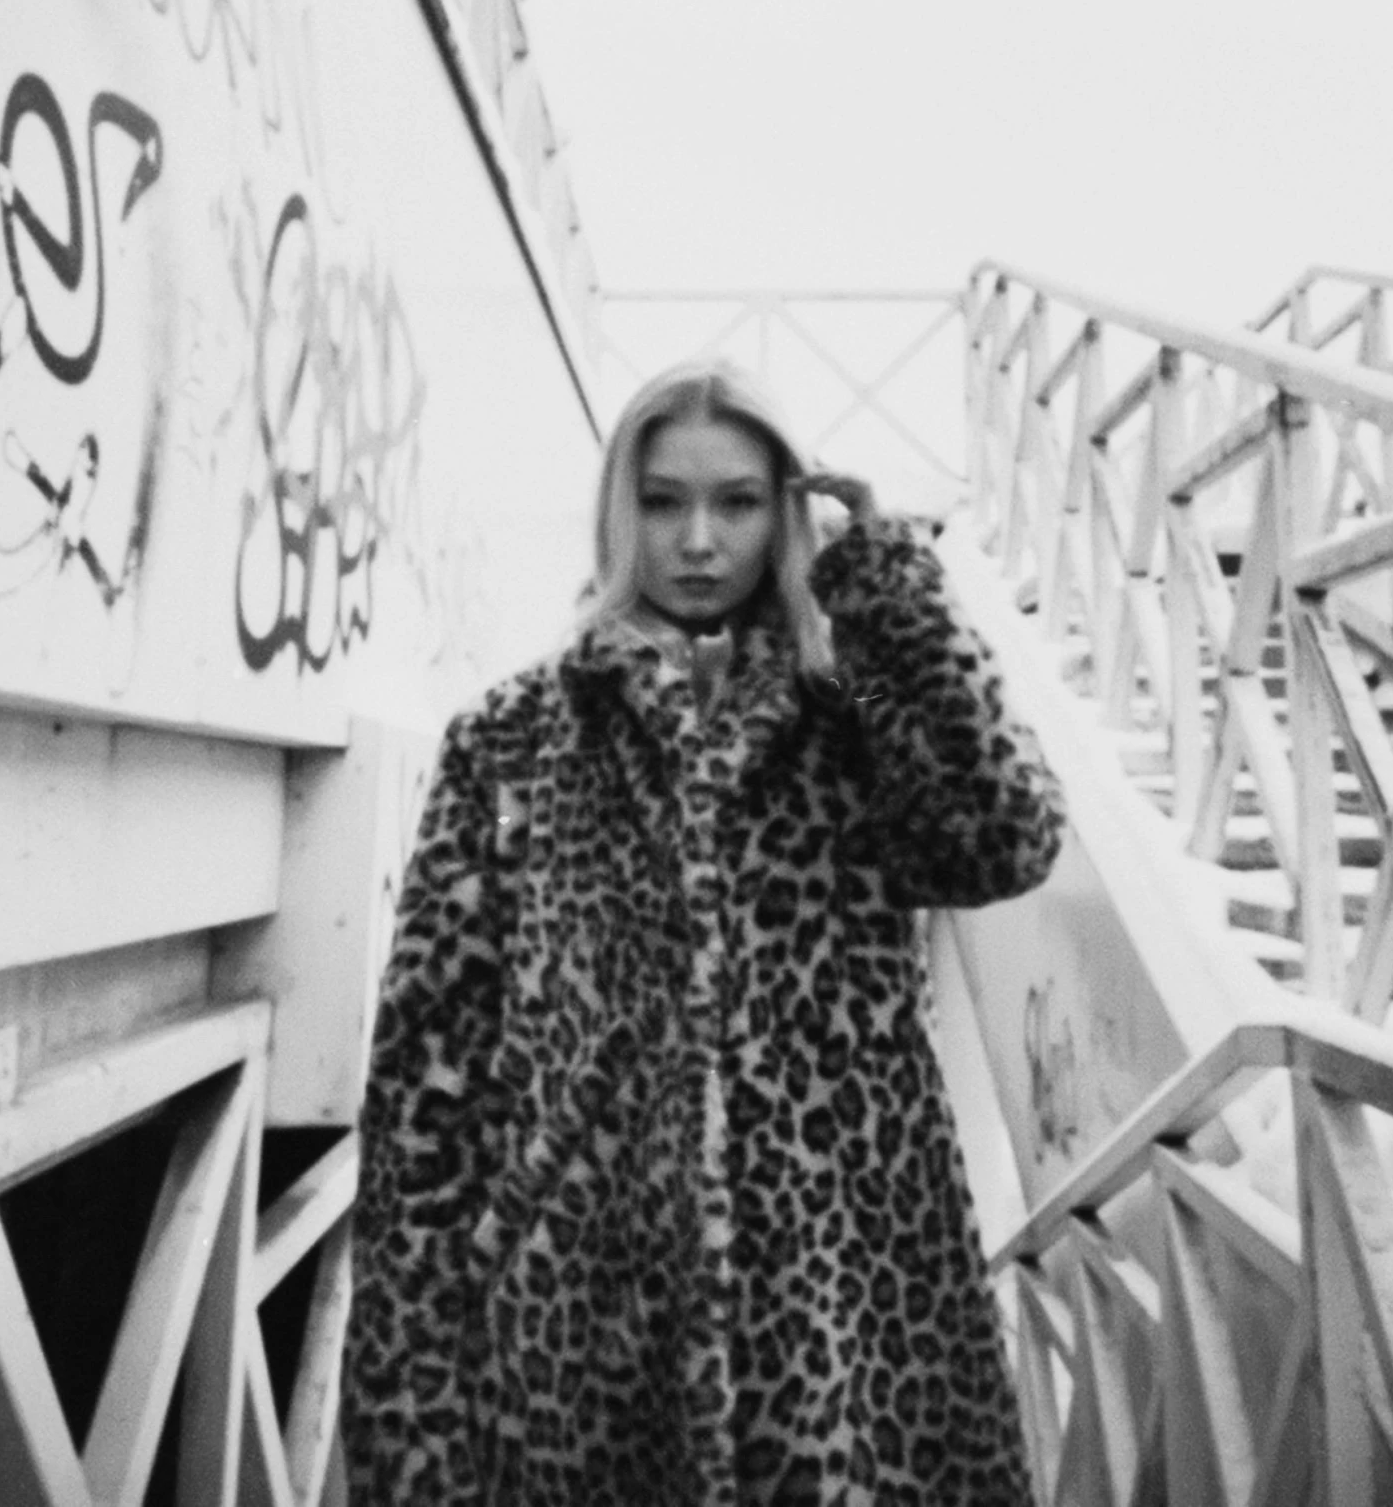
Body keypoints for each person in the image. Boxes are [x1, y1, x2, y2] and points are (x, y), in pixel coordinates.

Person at [342, 359, 1065, 1505]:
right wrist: (415, 1383)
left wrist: (890, 597)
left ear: (785, 513)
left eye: (735, 501)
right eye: (664, 500)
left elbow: (1006, 835)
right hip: (579, 1313)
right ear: (619, 511)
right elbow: (426, 1085)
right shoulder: (511, 736)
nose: (695, 537)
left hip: (845, 1314)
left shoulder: (852, 718)